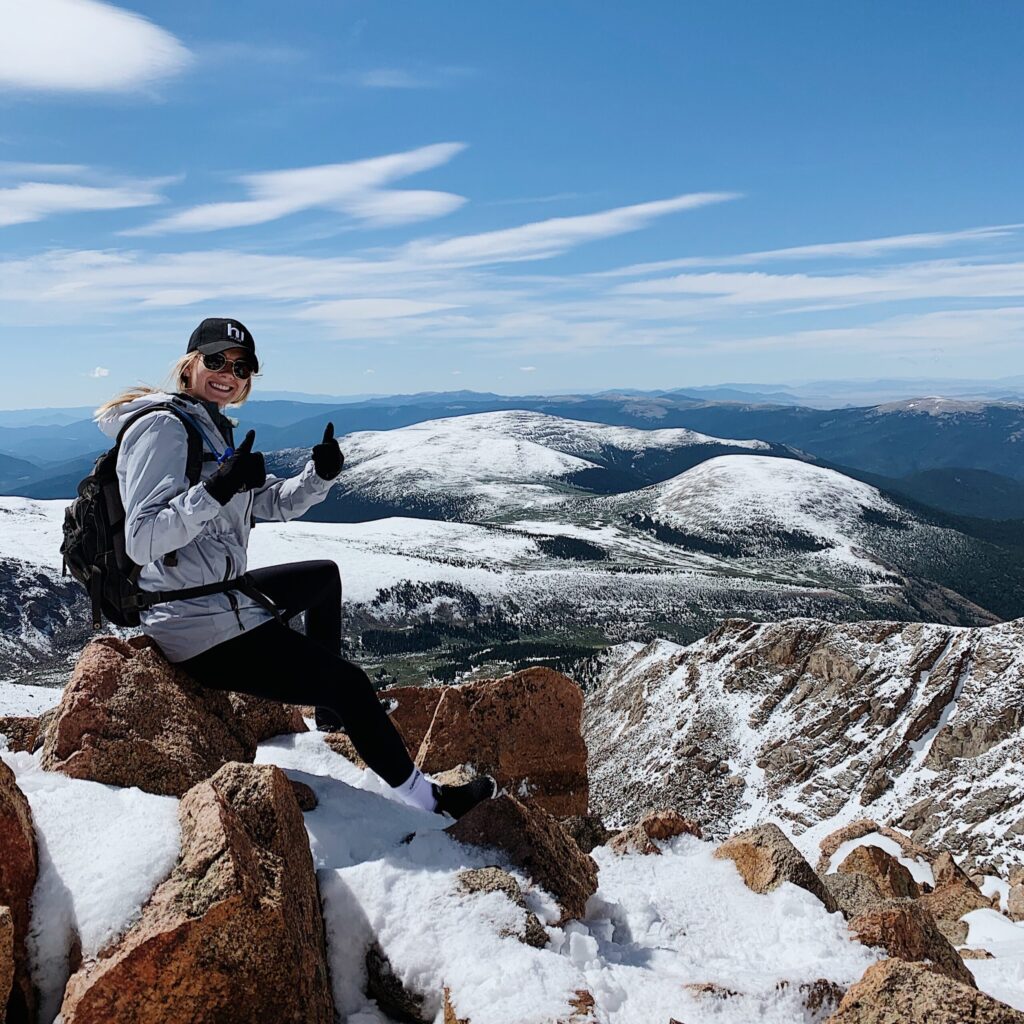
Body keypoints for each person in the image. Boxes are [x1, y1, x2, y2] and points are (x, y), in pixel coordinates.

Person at [93, 317, 495, 819]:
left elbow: (266, 504)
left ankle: (328, 715)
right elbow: (144, 539)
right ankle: (430, 801)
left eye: (241, 367)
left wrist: (318, 476)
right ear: (189, 364)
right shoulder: (163, 428)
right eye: (215, 360)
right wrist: (217, 488)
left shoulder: (207, 426)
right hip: (192, 622)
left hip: (217, 595)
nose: (228, 373)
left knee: (322, 577)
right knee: (350, 683)